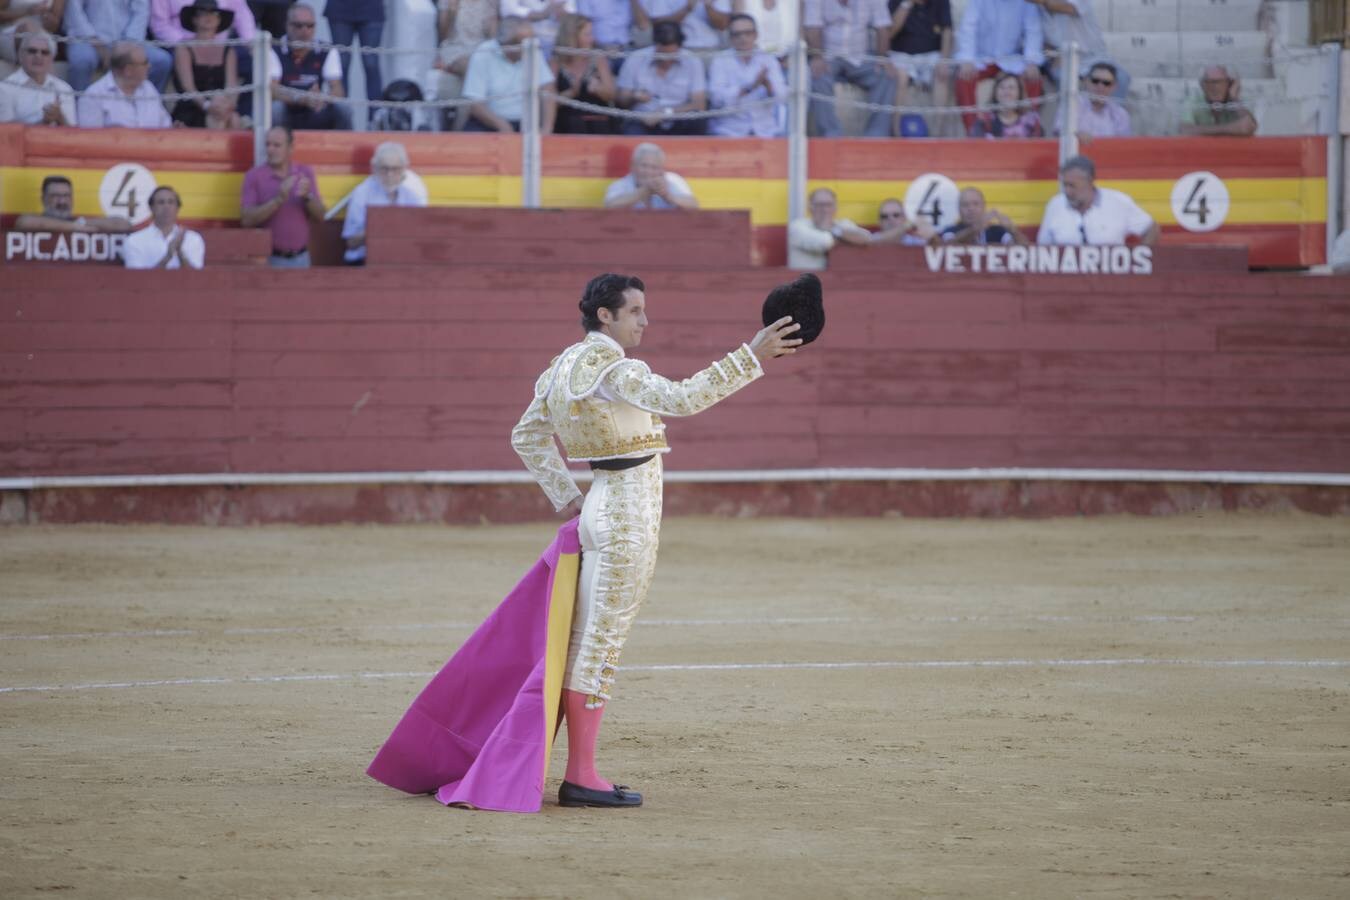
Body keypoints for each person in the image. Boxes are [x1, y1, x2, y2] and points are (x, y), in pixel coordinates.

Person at [508, 272, 801, 808]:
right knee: (601, 642)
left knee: (586, 641)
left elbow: (525, 435)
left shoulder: (561, 368)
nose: (645, 320)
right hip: (627, 513)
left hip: (600, 501)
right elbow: (683, 398)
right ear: (606, 316)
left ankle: (581, 770)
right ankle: (582, 776)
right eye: (636, 311)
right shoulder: (615, 369)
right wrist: (751, 355)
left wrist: (568, 496)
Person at [804, 0, 895, 138]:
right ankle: (831, 135)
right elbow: (812, 27)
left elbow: (883, 27)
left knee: (886, 75)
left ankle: (876, 136)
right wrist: (817, 57)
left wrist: (882, 58)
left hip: (861, 57)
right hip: (829, 57)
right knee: (817, 75)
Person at [239, 124, 326, 267]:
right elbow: (246, 220)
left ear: (290, 148)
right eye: (267, 145)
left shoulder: (305, 172)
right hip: (270, 259)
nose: (270, 150)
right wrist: (278, 201)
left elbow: (321, 216)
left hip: (302, 257)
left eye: (276, 145)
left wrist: (307, 197)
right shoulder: (254, 176)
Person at [952, 0, 1043, 133]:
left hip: (1011, 59)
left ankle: (1030, 129)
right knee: (963, 80)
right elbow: (968, 27)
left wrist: (1031, 61)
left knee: (1034, 78)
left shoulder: (1026, 2)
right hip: (982, 58)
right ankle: (973, 132)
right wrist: (967, 58)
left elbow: (1033, 30)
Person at [1037, 155, 1158, 246]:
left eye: (1072, 186)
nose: (1067, 192)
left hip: (1111, 278)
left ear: (1089, 181)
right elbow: (1043, 247)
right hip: (1068, 277)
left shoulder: (1118, 202)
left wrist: (1138, 263)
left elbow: (1151, 228)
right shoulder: (1055, 205)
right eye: (1065, 185)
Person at [266, 1, 352, 131]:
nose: (304, 31)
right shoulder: (274, 50)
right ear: (287, 25)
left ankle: (344, 148)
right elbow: (272, 90)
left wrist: (322, 98)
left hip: (317, 108)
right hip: (289, 108)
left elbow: (338, 90)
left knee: (344, 108)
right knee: (276, 109)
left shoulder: (326, 50)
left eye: (310, 26)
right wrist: (301, 98)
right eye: (298, 25)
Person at [462, 16, 556, 132]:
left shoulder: (533, 50)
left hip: (525, 123)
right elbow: (475, 103)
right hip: (489, 122)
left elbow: (548, 88)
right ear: (508, 45)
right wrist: (502, 125)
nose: (532, 45)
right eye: (525, 42)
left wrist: (547, 127)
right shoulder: (483, 53)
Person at [341, 141, 428, 265]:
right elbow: (351, 243)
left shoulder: (411, 196)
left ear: (404, 170)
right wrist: (379, 229)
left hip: (401, 261)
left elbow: (422, 236)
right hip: (363, 261)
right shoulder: (362, 193)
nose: (389, 174)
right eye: (384, 168)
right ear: (374, 169)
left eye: (395, 169)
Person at [615, 20, 705, 135]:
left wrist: (666, 113)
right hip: (642, 121)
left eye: (671, 56)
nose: (666, 61)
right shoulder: (636, 59)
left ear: (679, 47)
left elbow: (699, 105)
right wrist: (634, 97)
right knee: (631, 130)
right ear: (655, 45)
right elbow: (621, 100)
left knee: (697, 123)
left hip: (679, 121)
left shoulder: (693, 61)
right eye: (662, 55)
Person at [62, 0, 173, 92]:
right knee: (82, 61)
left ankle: (146, 109)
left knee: (161, 61)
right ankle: (79, 109)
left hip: (128, 40)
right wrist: (96, 43)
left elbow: (141, 11)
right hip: (87, 40)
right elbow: (74, 11)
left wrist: (126, 45)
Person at [707, 12, 786, 137]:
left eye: (747, 33)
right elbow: (717, 99)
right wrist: (749, 87)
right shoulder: (720, 60)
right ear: (730, 38)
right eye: (737, 34)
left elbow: (782, 97)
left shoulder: (768, 60)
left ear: (756, 35)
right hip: (729, 132)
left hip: (765, 131)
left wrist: (768, 85)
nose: (743, 38)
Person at [171, 0, 243, 129]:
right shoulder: (183, 48)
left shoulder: (228, 50)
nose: (208, 17)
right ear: (194, 19)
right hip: (192, 107)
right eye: (202, 13)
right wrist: (207, 106)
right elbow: (188, 87)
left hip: (221, 108)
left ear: (219, 20)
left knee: (233, 119)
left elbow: (231, 87)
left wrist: (227, 107)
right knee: (215, 118)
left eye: (214, 13)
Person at [886, 0, 953, 135]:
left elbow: (947, 30)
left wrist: (944, 60)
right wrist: (906, 4)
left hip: (931, 54)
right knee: (901, 77)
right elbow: (890, 32)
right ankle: (896, 132)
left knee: (942, 76)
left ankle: (937, 135)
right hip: (901, 54)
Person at [429, 0, 497, 131]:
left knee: (479, 64)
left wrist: (492, 20)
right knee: (470, 66)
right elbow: (442, 36)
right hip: (455, 50)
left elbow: (492, 38)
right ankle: (459, 128)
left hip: (481, 50)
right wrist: (452, 13)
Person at [76, 41, 173, 129]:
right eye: (145, 63)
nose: (149, 66)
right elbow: (91, 141)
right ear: (128, 70)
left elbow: (165, 126)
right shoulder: (93, 96)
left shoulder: (148, 88)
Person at [551, 12, 617, 133]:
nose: (592, 39)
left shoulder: (598, 59)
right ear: (572, 37)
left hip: (596, 121)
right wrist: (571, 93)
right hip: (566, 123)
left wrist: (598, 88)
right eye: (587, 34)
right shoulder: (555, 62)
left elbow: (611, 94)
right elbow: (549, 103)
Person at [0, 29, 75, 126]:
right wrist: (44, 123)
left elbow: (73, 134)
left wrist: (59, 117)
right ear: (20, 55)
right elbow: (7, 134)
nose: (38, 56)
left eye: (44, 52)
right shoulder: (5, 88)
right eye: (32, 51)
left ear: (52, 58)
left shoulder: (64, 88)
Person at [788, 186, 872, 269]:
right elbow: (824, 242)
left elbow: (866, 238)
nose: (825, 209)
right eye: (819, 205)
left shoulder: (844, 223)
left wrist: (835, 230)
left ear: (835, 207)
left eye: (829, 204)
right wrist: (847, 239)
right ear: (810, 207)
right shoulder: (797, 226)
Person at [122, 185, 205, 269]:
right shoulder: (134, 241)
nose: (166, 207)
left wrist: (180, 253)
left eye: (171, 202)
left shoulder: (193, 239)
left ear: (177, 208)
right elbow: (136, 279)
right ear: (151, 207)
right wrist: (167, 257)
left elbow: (196, 278)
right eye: (161, 202)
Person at [14, 174, 131, 233]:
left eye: (66, 196)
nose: (62, 201)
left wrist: (81, 223)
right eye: (55, 196)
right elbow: (24, 222)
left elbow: (123, 224)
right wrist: (72, 227)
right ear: (43, 199)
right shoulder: (35, 221)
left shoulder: (81, 222)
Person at [1025, 0, 1103, 85]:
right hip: (1063, 67)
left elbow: (1070, 8)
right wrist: (1055, 54)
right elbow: (1043, 44)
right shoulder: (1035, 8)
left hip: (1095, 64)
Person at [325, 0, 384, 109]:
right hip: (339, 9)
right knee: (341, 65)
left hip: (372, 9)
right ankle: (341, 117)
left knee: (371, 64)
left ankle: (376, 120)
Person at [603, 141, 697, 210]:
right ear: (633, 166)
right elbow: (609, 207)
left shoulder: (673, 180)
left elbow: (693, 206)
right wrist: (643, 192)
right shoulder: (621, 184)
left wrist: (668, 196)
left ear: (661, 170)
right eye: (644, 166)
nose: (648, 172)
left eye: (654, 167)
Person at [1058, 60, 1128, 141]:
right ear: (1086, 81)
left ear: (1114, 87)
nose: (1100, 86)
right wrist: (1075, 135)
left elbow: (1124, 144)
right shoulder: (1072, 105)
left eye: (1106, 83)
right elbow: (1060, 131)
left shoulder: (1120, 114)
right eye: (1095, 81)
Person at [1180, 64, 1257, 137]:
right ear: (1202, 85)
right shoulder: (1194, 101)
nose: (1215, 87)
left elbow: (1249, 127)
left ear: (1230, 84)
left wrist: (1234, 98)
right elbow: (1185, 130)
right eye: (1209, 82)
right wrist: (1231, 128)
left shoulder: (1238, 101)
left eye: (1220, 82)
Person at [936, 186, 1028, 245]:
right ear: (959, 210)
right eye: (965, 205)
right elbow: (946, 246)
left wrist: (1013, 230)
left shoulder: (997, 231)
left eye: (975, 204)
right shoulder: (950, 230)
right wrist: (975, 229)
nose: (970, 209)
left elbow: (1026, 251)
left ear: (984, 207)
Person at [637, 0, 730, 52]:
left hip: (711, 49)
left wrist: (708, 7)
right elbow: (659, 26)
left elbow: (722, 25)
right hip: (676, 50)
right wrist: (687, 9)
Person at [969, 71, 1041, 137]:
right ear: (995, 92)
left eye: (1011, 88)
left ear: (1020, 92)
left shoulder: (1031, 121)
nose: (1006, 92)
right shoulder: (984, 121)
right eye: (1002, 87)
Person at [150, 0, 255, 42]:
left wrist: (250, 42)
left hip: (222, 44)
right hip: (179, 44)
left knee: (260, 55)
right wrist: (184, 41)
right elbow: (159, 25)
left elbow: (242, 15)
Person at [0, 4, 66, 70]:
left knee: (41, 43)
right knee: (27, 28)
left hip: (43, 34)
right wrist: (27, 12)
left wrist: (48, 18)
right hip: (11, 34)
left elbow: (53, 27)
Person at [502, 0, 574, 58]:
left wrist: (563, 13)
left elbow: (572, 11)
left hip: (557, 43)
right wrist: (540, 14)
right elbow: (508, 11)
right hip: (525, 43)